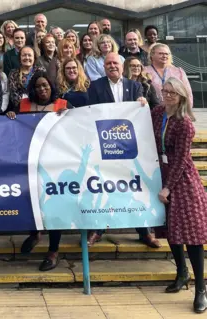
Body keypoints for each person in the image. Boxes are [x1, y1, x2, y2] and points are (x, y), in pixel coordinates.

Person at [87, 53, 161, 248]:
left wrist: (142, 104)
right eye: (108, 63)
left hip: (129, 147)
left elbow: (142, 111)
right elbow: (90, 112)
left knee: (134, 189)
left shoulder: (135, 86)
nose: (112, 66)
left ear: (122, 66)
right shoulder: (96, 86)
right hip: (105, 145)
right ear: (104, 67)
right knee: (104, 187)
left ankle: (144, 232)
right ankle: (98, 230)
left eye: (115, 63)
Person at [149, 77, 207, 314]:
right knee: (172, 230)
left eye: (173, 92)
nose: (168, 95)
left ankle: (201, 288)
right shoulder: (157, 112)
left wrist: (168, 188)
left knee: (191, 235)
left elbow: (182, 160)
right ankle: (182, 273)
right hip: (161, 173)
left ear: (182, 96)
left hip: (181, 180)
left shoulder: (185, 124)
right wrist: (141, 101)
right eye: (165, 91)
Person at [7, 72, 67, 271]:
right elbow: (10, 124)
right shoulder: (24, 106)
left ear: (52, 87)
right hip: (30, 163)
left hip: (55, 166)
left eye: (46, 86)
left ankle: (53, 250)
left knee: (54, 207)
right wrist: (10, 116)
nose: (42, 89)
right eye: (38, 86)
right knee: (31, 199)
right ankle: (35, 233)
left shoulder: (63, 106)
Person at [8, 46, 46, 111]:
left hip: (39, 107)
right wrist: (25, 105)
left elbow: (44, 90)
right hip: (19, 109)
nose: (27, 57)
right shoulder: (13, 73)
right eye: (24, 55)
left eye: (29, 55)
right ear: (20, 57)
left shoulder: (41, 71)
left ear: (34, 57)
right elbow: (13, 94)